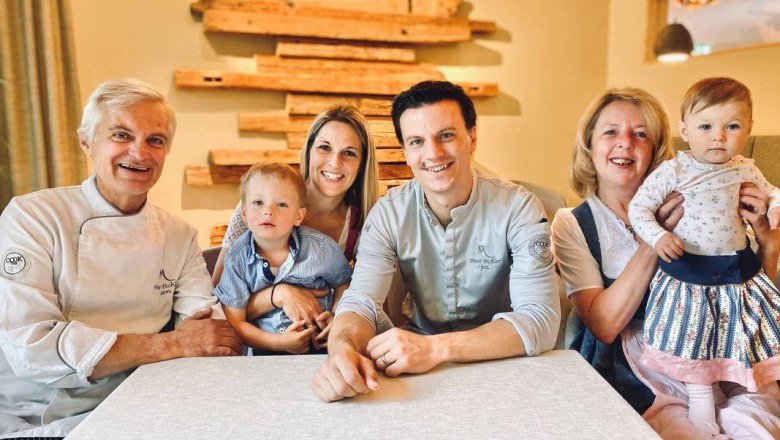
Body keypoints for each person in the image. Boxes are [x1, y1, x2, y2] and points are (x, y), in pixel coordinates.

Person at [0, 78, 242, 437]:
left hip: (143, 400)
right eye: (121, 135)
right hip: (43, 415)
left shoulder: (177, 234)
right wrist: (173, 343)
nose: (139, 153)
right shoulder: (33, 217)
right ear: (87, 141)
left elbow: (208, 331)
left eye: (155, 140)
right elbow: (33, 348)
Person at [552, 86, 780, 439]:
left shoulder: (704, 196)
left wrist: (768, 241)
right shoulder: (573, 222)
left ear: (656, 150)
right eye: (610, 132)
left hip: (725, 343)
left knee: (757, 425)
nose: (625, 143)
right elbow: (604, 325)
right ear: (589, 146)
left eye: (640, 134)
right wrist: (652, 242)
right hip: (641, 364)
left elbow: (743, 292)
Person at [311, 80, 560, 402]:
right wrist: (342, 351)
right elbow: (361, 302)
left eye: (446, 136)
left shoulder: (519, 207)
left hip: (502, 361)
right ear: (405, 152)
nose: (433, 153)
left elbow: (540, 320)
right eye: (417, 141)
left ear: (472, 138)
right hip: (418, 371)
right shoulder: (387, 213)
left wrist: (435, 348)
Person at [627, 77, 780, 435]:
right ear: (685, 130)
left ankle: (742, 383)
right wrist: (659, 236)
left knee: (733, 331)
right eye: (706, 127)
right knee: (692, 337)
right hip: (689, 273)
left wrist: (774, 206)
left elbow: (772, 192)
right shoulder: (675, 170)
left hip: (734, 272)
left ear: (749, 129)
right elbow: (639, 208)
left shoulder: (745, 168)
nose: (718, 137)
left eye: (732, 127)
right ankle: (701, 400)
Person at [212, 105, 379, 330]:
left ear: (361, 165)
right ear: (308, 152)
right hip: (257, 342)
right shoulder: (258, 208)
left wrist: (338, 317)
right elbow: (217, 303)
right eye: (324, 148)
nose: (335, 162)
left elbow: (364, 297)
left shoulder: (364, 223)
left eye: (349, 153)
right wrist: (279, 295)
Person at [214, 163, 352, 355]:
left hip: (322, 349)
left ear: (299, 216)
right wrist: (280, 343)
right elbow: (235, 323)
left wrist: (337, 316)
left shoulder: (321, 248)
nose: (268, 211)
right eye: (258, 202)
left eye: (281, 204)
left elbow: (345, 283)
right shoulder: (237, 259)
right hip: (265, 354)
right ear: (244, 214)